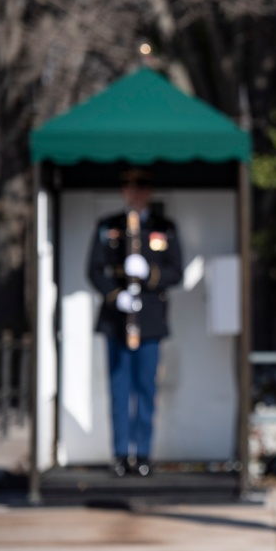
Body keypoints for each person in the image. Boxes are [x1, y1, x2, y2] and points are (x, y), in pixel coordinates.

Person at [87, 168, 183, 477]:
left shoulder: (163, 227)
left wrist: (149, 275)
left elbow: (176, 272)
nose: (135, 192)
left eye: (141, 186)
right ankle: (119, 453)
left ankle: (142, 453)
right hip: (117, 320)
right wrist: (116, 296)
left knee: (145, 389)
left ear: (149, 192)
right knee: (119, 388)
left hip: (150, 320)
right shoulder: (108, 226)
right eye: (129, 186)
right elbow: (94, 270)